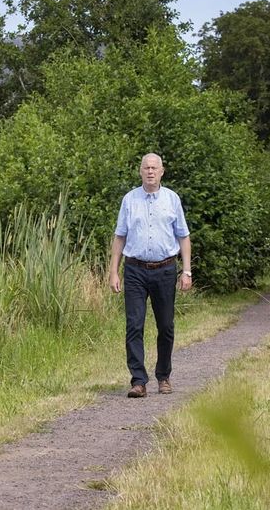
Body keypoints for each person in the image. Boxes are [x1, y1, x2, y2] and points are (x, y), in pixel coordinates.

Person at [108, 153, 192, 398]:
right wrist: (114, 271)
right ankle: (138, 380)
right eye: (146, 168)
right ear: (140, 171)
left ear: (162, 171)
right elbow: (120, 236)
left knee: (165, 326)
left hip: (165, 269)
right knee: (134, 325)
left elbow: (183, 236)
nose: (150, 172)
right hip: (134, 270)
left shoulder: (172, 199)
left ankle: (163, 376)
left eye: (154, 168)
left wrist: (186, 271)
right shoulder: (129, 200)